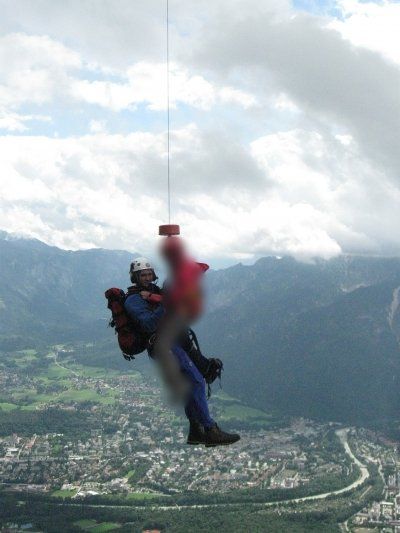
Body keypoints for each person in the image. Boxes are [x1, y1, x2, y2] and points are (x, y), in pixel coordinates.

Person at [124, 257, 240, 447]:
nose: (147, 278)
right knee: (196, 380)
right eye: (142, 275)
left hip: (171, 342)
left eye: (149, 274)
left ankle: (196, 431)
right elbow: (148, 324)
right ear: (135, 277)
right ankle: (210, 429)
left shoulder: (153, 292)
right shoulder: (133, 300)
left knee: (190, 384)